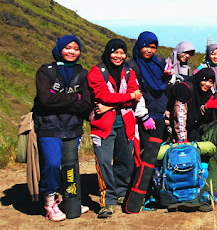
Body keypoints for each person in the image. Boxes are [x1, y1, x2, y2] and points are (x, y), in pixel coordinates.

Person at [88, 39, 152, 218]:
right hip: (103, 126)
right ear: (108, 52)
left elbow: (135, 97)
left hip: (125, 122)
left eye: (122, 53)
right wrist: (129, 96)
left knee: (125, 161)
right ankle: (107, 200)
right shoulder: (96, 71)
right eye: (115, 52)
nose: (119, 56)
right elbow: (102, 95)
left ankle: (122, 193)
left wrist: (109, 105)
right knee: (104, 162)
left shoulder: (128, 71)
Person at [32, 35, 92, 221]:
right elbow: (45, 99)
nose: (72, 51)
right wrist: (75, 98)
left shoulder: (83, 74)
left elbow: (87, 104)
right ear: (59, 49)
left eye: (76, 48)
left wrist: (60, 100)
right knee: (52, 163)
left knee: (70, 167)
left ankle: (70, 201)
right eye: (68, 48)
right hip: (49, 126)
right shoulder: (45, 71)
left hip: (73, 127)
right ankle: (50, 201)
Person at [126, 31, 167, 150]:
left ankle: (154, 169)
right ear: (139, 45)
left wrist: (170, 77)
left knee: (157, 149)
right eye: (146, 46)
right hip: (142, 115)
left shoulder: (159, 62)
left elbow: (164, 85)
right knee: (144, 149)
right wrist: (144, 116)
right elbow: (135, 90)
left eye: (153, 47)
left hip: (159, 112)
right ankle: (143, 169)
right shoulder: (131, 66)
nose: (149, 50)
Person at [166, 68, 216, 142]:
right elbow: (179, 114)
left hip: (192, 127)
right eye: (205, 80)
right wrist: (182, 138)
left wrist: (206, 107)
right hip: (174, 126)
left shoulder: (206, 93)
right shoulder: (186, 88)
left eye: (211, 82)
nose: (207, 84)